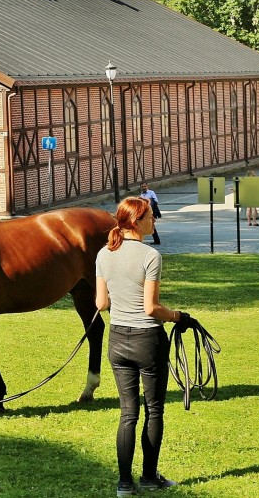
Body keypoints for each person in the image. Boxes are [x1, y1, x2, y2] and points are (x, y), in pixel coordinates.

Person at [96, 197, 185, 497]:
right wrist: (177, 316)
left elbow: (101, 304)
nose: (154, 220)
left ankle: (124, 484)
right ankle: (148, 477)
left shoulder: (103, 254)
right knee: (154, 410)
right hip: (148, 340)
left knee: (127, 413)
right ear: (136, 221)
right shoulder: (150, 256)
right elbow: (151, 308)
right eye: (150, 217)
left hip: (118, 340)